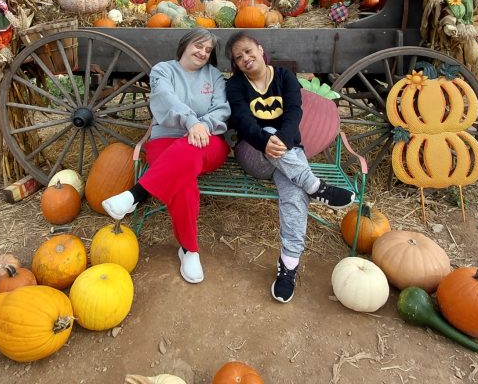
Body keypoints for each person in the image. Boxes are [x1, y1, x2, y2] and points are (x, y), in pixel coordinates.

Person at [224, 32, 354, 303]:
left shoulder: (284, 77)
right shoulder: (236, 86)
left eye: (248, 51)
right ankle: (316, 186)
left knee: (294, 194)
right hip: (253, 155)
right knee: (269, 131)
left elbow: (294, 112)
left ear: (260, 50)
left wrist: (280, 140)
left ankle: (289, 266)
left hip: (287, 158)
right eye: (239, 58)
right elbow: (243, 121)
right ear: (235, 65)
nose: (245, 59)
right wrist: (265, 140)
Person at [102, 28, 230, 284]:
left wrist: (201, 126)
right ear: (184, 45)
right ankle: (190, 250)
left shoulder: (214, 75)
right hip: (166, 139)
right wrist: (190, 122)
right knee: (184, 180)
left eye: (208, 50)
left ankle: (135, 194)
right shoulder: (163, 70)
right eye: (198, 46)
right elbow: (166, 99)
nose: (203, 53)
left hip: (208, 139)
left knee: (190, 150)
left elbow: (221, 109)